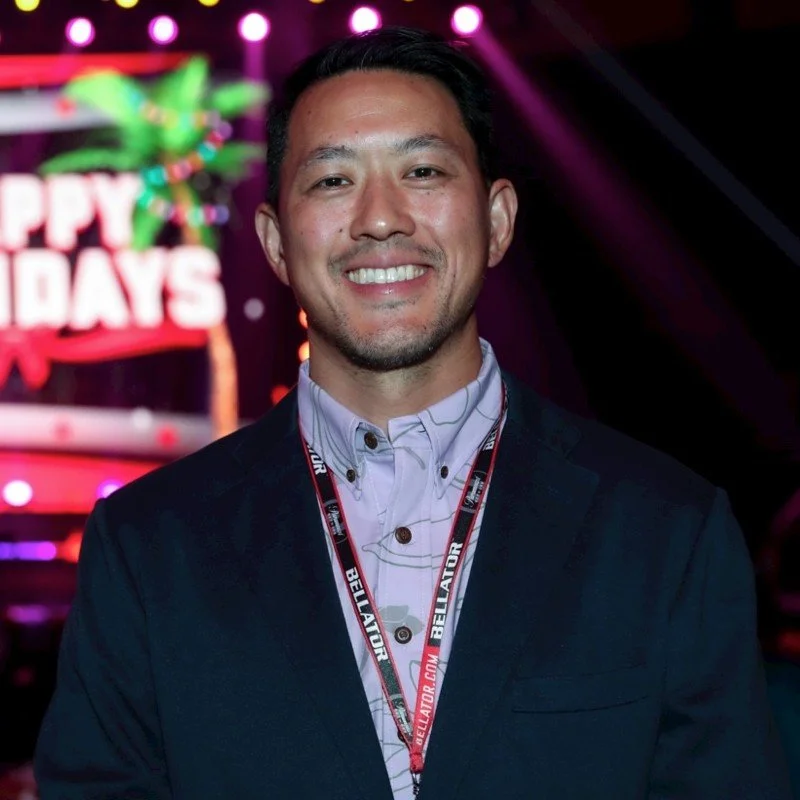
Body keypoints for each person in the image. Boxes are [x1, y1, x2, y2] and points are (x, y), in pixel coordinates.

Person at [34, 26, 791, 800]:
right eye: (332, 181)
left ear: (496, 221)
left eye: (423, 170)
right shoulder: (149, 548)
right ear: (274, 243)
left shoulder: (664, 530)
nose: (381, 218)